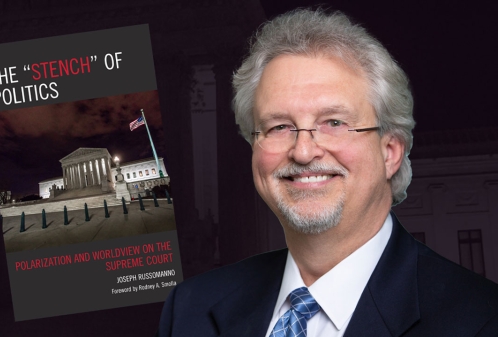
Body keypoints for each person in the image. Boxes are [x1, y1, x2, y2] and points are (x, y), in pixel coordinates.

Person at [157, 8, 498, 337]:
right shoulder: (190, 309)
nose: (303, 152)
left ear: (390, 153)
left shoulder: (482, 319)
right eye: (279, 126)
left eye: (334, 122)